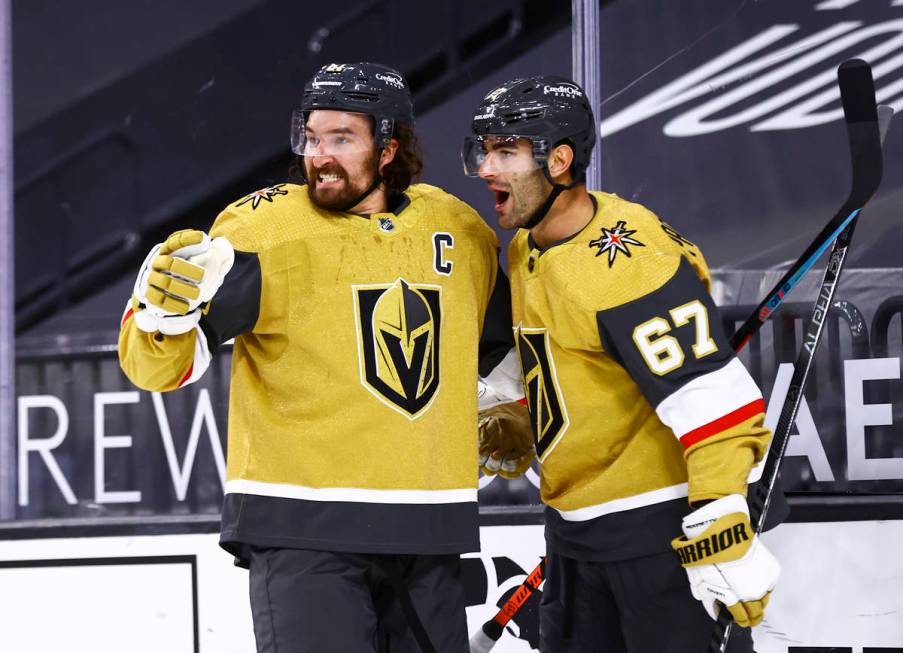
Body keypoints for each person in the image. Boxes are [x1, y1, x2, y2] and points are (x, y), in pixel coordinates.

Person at [118, 62, 519, 653]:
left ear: (390, 147)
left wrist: (507, 407)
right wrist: (157, 315)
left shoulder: (458, 229)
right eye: (311, 137)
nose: (320, 155)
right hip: (304, 532)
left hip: (430, 529)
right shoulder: (264, 231)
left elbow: (501, 353)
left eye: (341, 139)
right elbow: (161, 368)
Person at [463, 75, 782, 652]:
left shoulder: (626, 263)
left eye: (505, 152)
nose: (487, 168)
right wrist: (521, 408)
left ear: (559, 160)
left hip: (654, 539)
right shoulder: (527, 244)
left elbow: (715, 403)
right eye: (484, 151)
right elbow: (573, 359)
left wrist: (720, 524)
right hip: (574, 536)